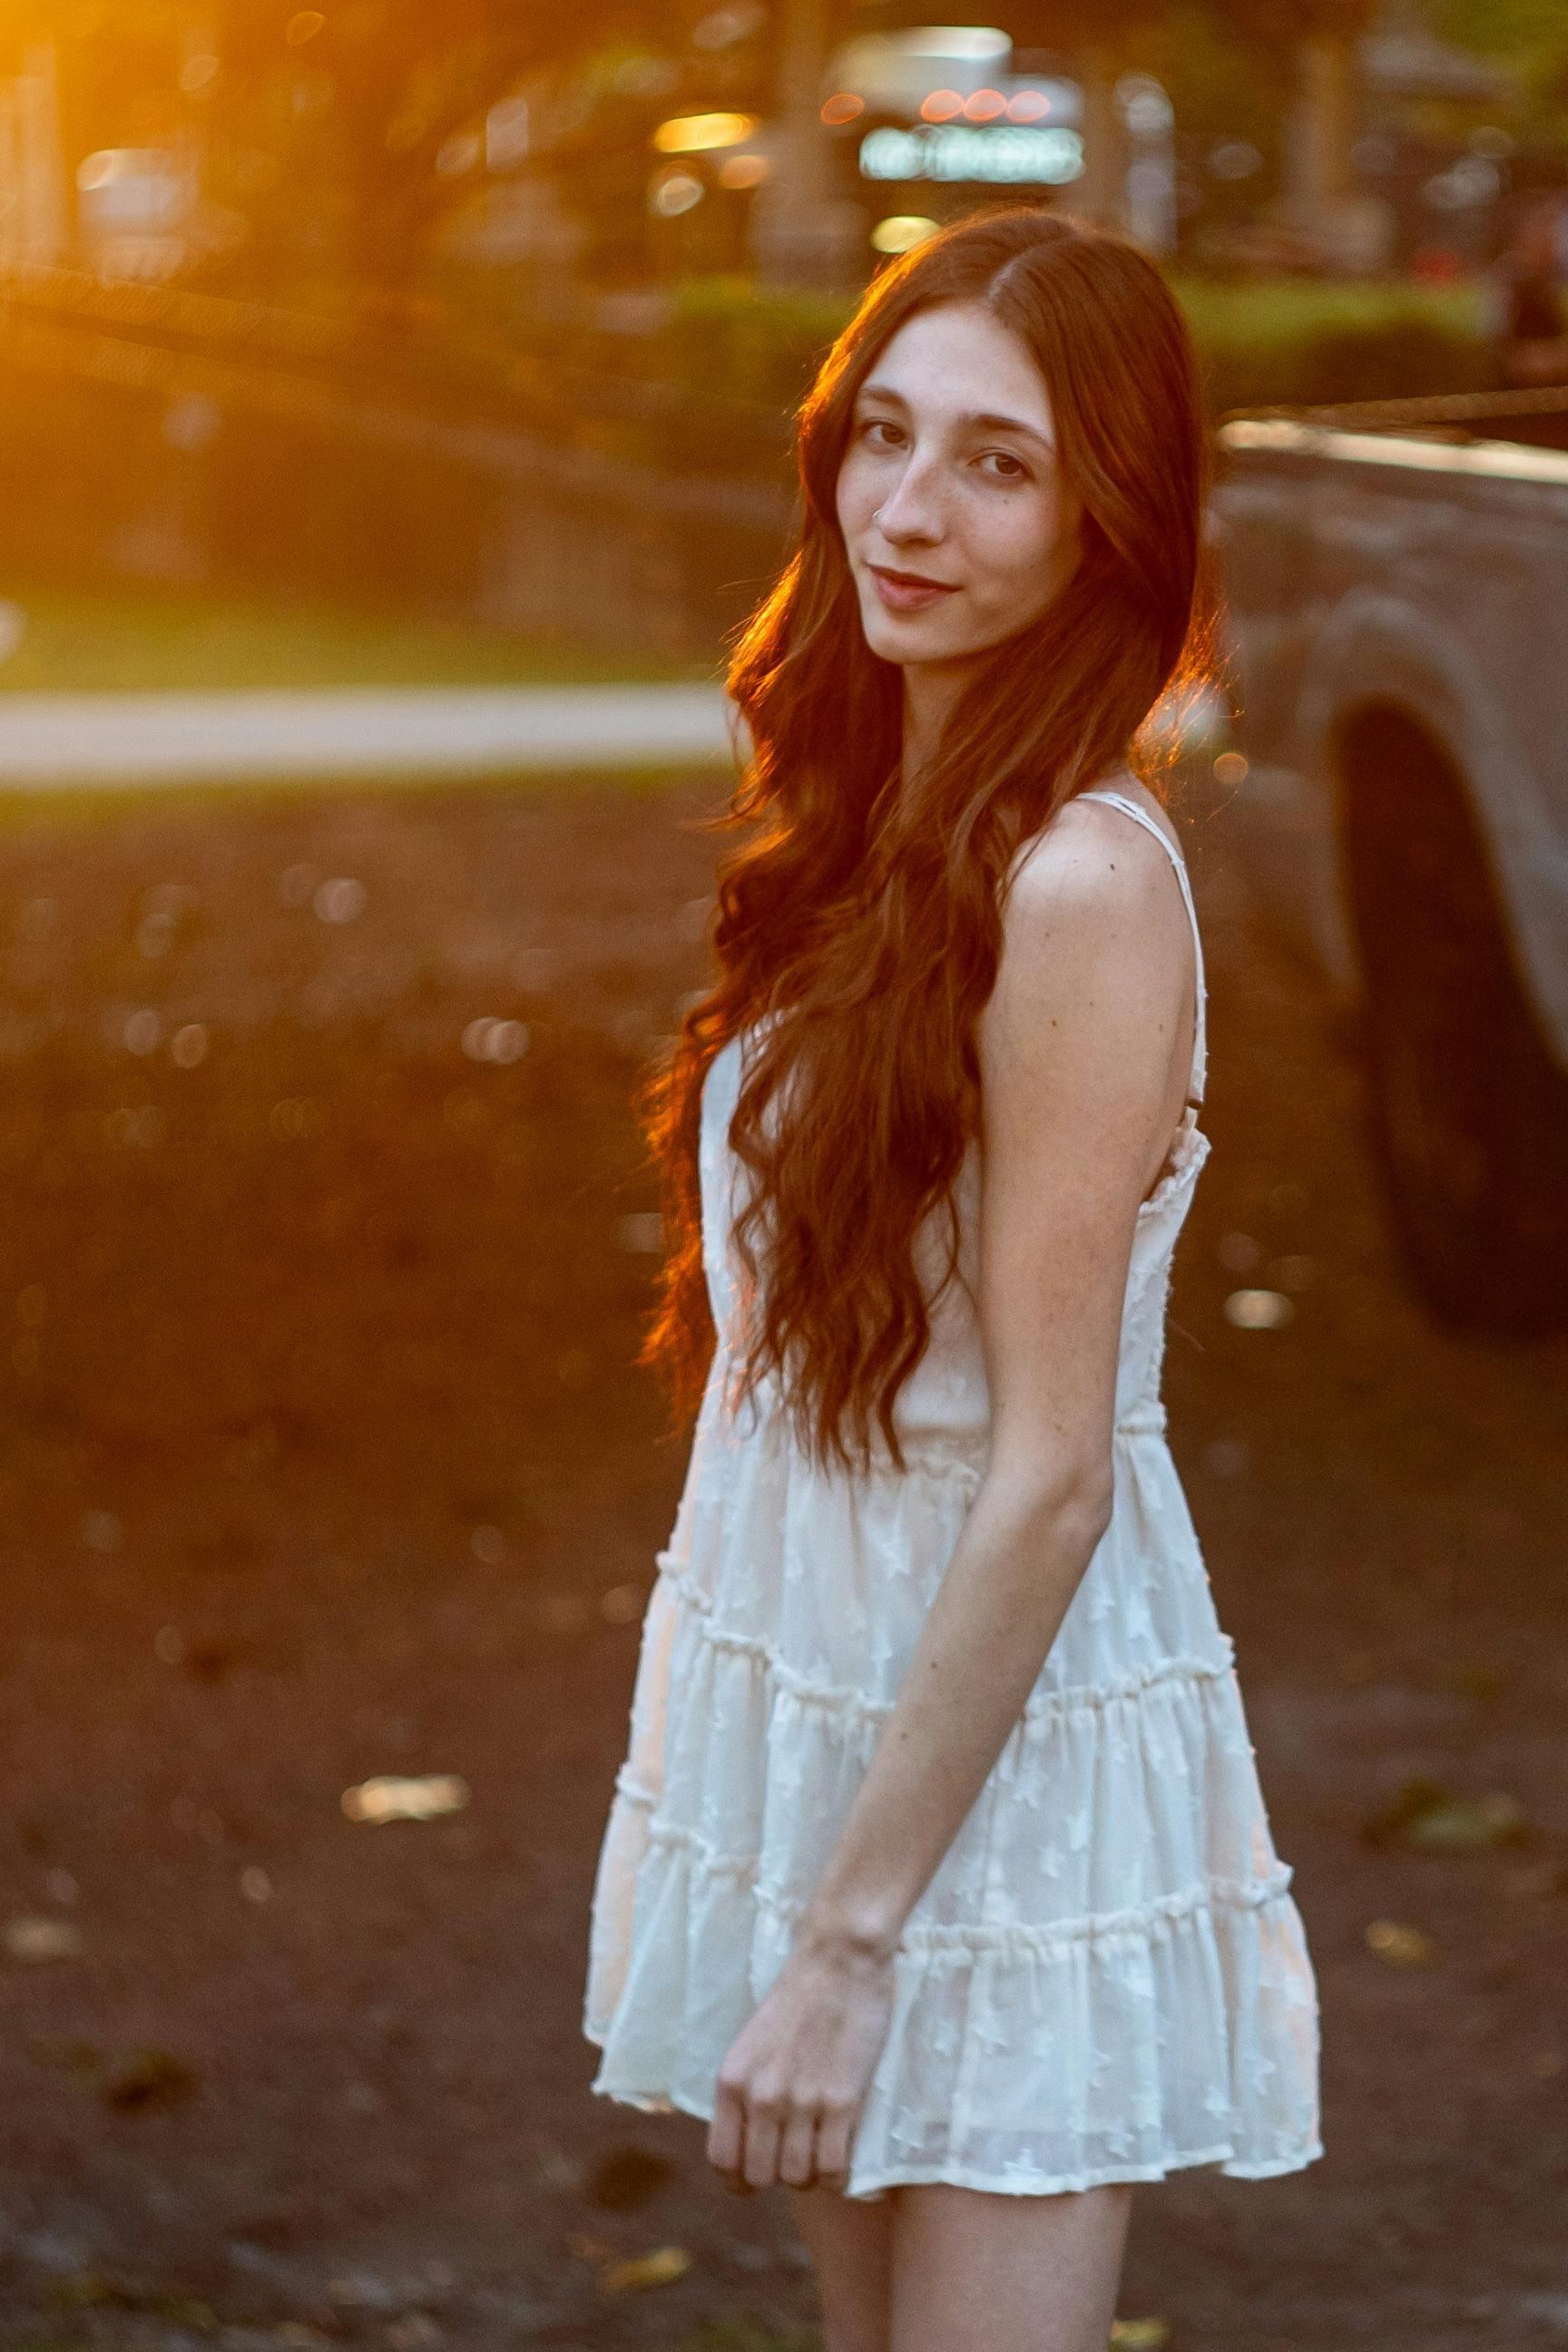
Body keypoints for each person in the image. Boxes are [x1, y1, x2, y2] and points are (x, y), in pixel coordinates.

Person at [583, 206, 1321, 2352]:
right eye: (884, 435)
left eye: (997, 463)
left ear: (1112, 517)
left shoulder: (1081, 881)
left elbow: (1055, 1470)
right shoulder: (867, 830)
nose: (908, 510)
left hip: (993, 1751)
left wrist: (851, 1936)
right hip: (830, 1693)